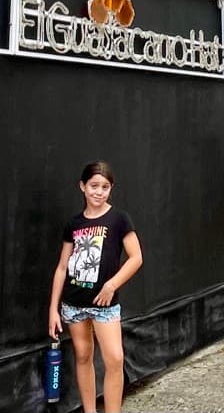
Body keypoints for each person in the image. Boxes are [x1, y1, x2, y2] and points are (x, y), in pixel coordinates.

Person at [49, 161, 144, 413]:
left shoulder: (119, 219)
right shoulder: (74, 224)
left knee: (114, 359)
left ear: (111, 189)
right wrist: (53, 310)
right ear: (82, 187)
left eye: (105, 187)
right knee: (83, 356)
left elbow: (136, 258)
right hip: (73, 304)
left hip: (105, 305)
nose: (99, 192)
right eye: (94, 186)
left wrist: (112, 285)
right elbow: (61, 268)